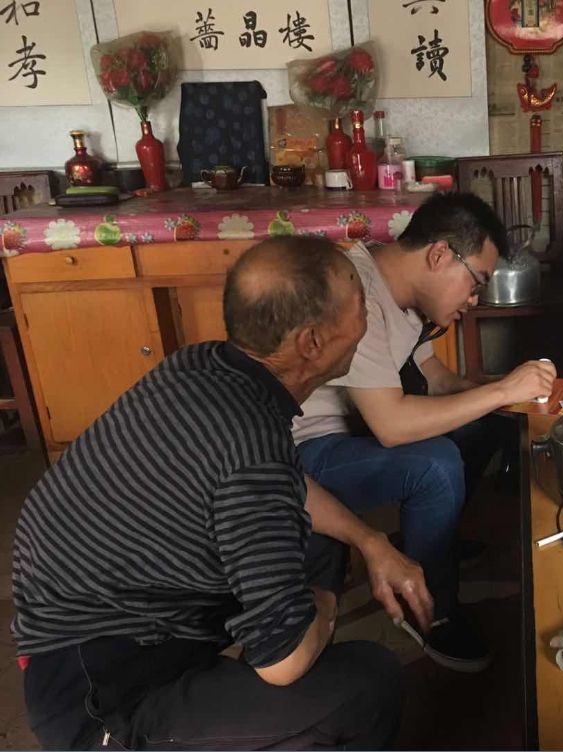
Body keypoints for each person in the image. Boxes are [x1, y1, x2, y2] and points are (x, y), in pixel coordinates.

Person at [12, 236, 435, 751]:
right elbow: (282, 662)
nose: (368, 319)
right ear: (312, 342)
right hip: (101, 696)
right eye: (361, 308)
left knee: (322, 543)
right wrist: (321, 607)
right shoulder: (252, 445)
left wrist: (371, 541)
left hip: (113, 623)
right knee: (368, 682)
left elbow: (285, 483)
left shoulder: (203, 365)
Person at [293, 192, 556, 673]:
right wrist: (500, 391)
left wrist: (502, 396)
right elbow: (392, 427)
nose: (473, 300)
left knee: (482, 424)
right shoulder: (354, 292)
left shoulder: (404, 294)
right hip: (302, 453)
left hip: (351, 433)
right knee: (434, 464)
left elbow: (436, 380)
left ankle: (436, 542)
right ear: (439, 255)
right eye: (476, 282)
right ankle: (432, 610)